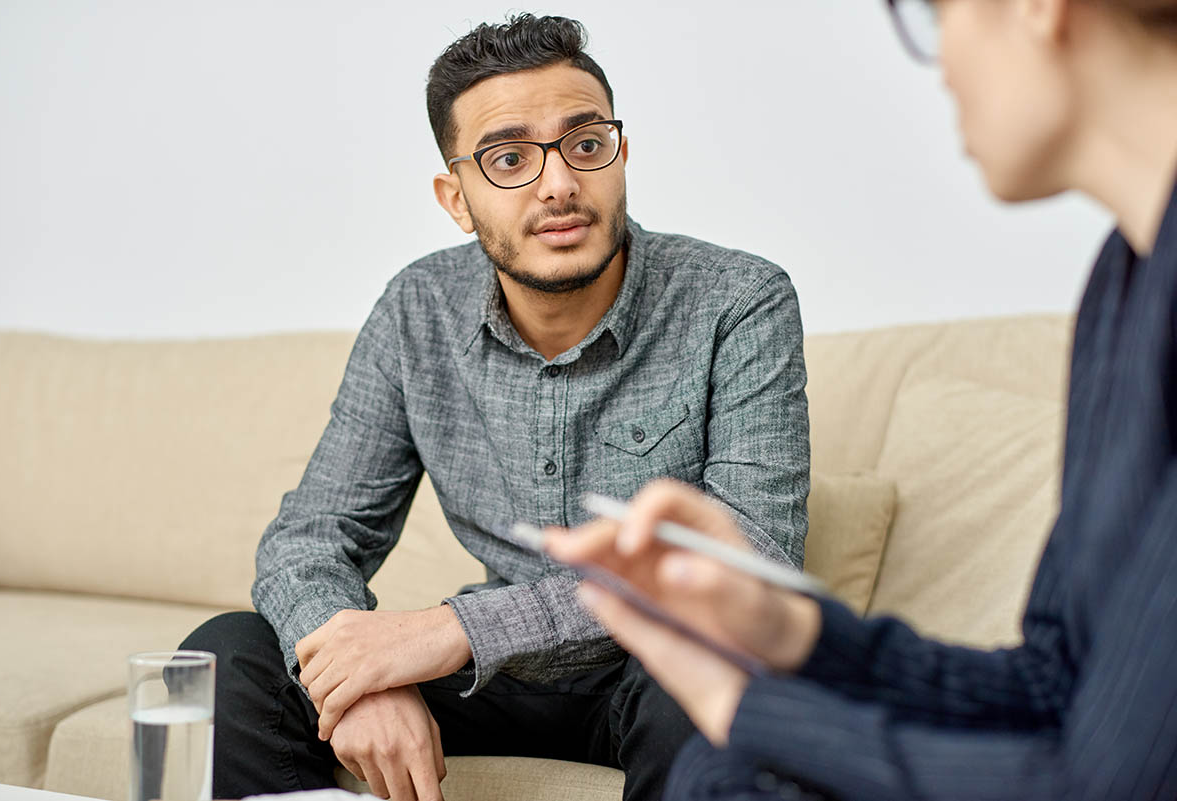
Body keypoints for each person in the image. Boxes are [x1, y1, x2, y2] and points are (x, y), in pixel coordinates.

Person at [546, 1, 1177, 799]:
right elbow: (1052, 687)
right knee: (725, 767)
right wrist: (791, 630)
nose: (941, 64)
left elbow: (1110, 783)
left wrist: (740, 703)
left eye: (933, 14)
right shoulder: (1126, 281)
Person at [180, 13, 812, 801]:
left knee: (725, 694)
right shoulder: (419, 309)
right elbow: (310, 536)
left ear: (621, 156)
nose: (558, 184)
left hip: (659, 668)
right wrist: (361, 679)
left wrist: (451, 630)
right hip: (493, 683)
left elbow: (750, 556)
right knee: (220, 661)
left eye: (585, 145)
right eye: (508, 158)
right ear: (456, 197)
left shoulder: (738, 300)